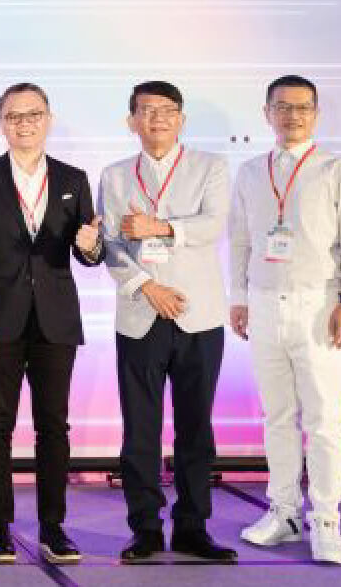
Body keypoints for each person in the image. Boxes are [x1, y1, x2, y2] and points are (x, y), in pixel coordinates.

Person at [0, 83, 102, 564]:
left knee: (53, 426)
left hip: (56, 321)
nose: (24, 123)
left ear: (48, 119)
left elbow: (89, 251)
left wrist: (91, 247)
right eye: (13, 116)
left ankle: (53, 527)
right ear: (1, 124)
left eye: (33, 114)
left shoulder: (73, 178)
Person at [98, 81, 236, 563]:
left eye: (168, 110)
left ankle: (193, 527)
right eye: (147, 110)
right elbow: (110, 245)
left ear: (181, 119)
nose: (157, 118)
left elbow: (214, 224)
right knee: (140, 429)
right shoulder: (115, 175)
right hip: (141, 314)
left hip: (199, 315)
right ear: (131, 121)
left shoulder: (210, 167)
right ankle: (145, 528)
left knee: (196, 427)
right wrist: (146, 287)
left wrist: (159, 227)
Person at [229, 74, 341, 565]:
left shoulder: (332, 168)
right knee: (276, 415)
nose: (292, 116)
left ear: (316, 113)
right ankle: (284, 511)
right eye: (282, 107)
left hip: (318, 304)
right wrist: (239, 297)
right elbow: (241, 238)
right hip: (263, 302)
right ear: (266, 113)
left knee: (323, 419)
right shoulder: (251, 171)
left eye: (302, 107)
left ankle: (327, 519)